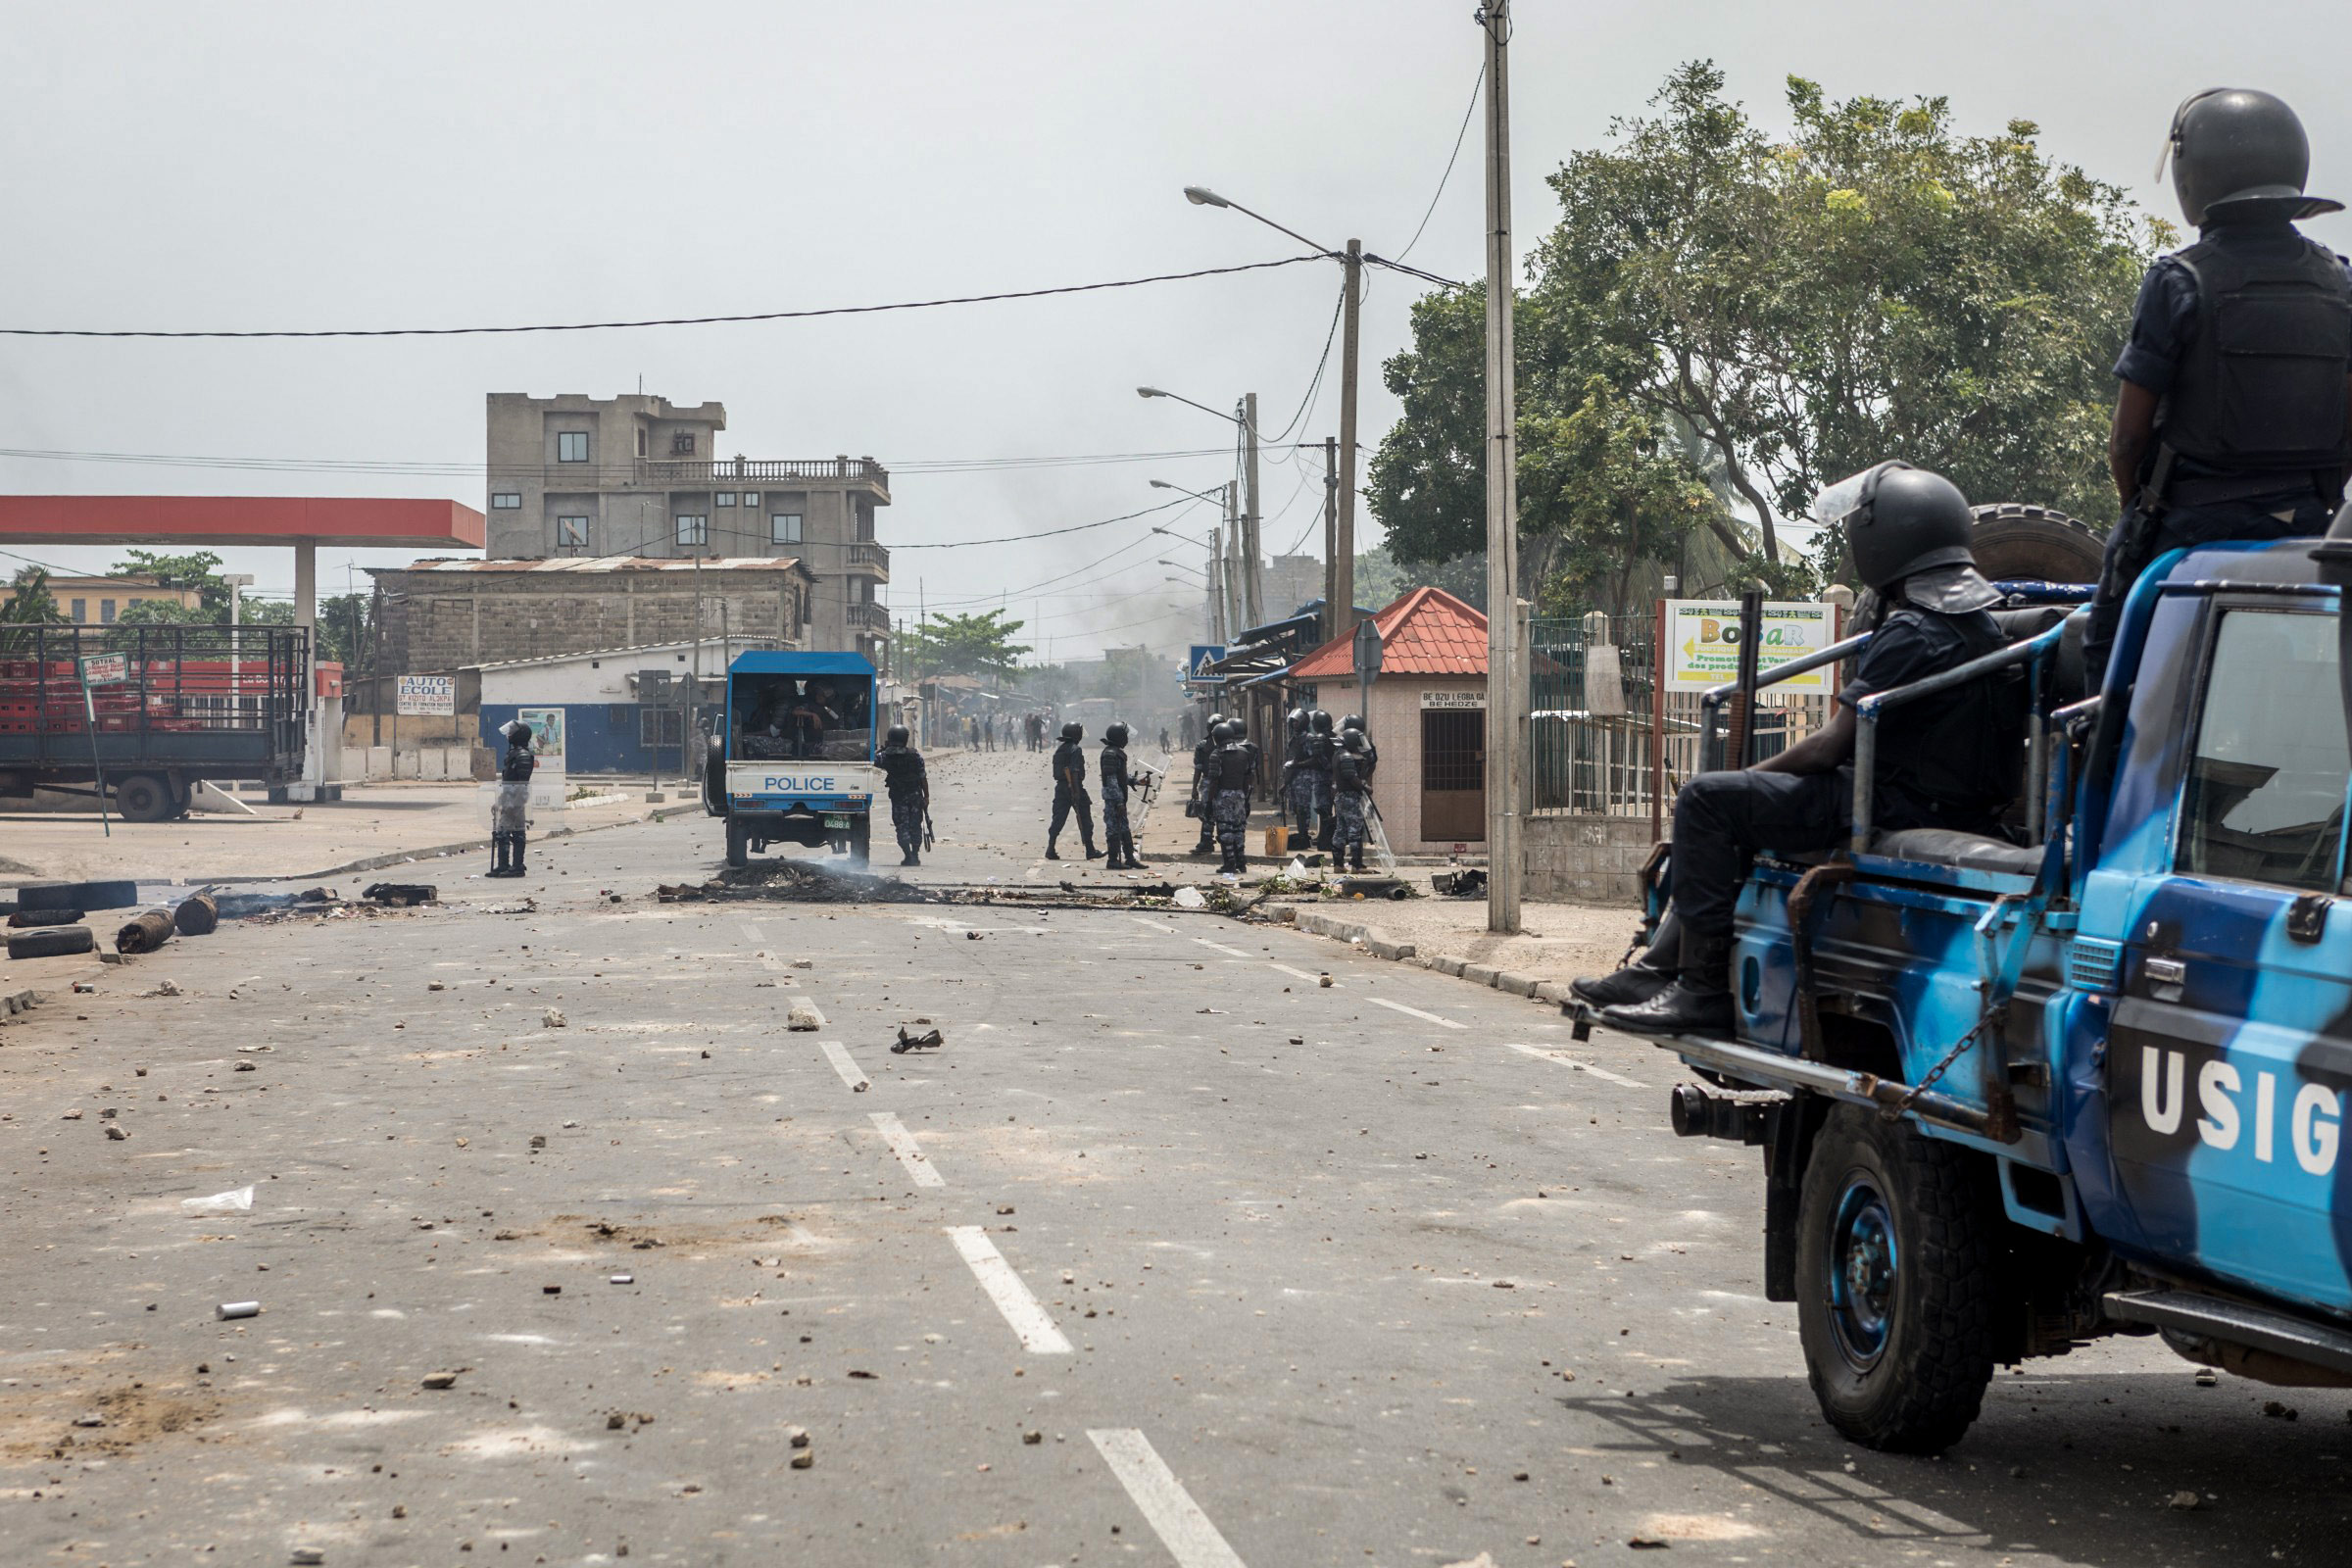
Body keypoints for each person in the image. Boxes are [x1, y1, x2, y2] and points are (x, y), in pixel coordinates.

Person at [1580, 462, 2022, 1036]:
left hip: (1886, 802)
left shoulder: (1912, 632)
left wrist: (1753, 775)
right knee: (1727, 801)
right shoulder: (1984, 626)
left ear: (1884, 542)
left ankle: (1701, 990)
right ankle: (1657, 969)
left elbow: (1827, 748)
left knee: (1707, 800)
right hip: (1940, 801)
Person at [2087, 87, 2352, 686]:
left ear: (2194, 173)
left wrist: (2142, 513)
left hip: (2192, 525)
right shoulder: (2341, 283)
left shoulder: (2178, 281)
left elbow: (2127, 442)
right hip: (2312, 523)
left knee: (2103, 651)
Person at [1047, 719, 1102, 860]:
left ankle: (1050, 848)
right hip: (1074, 786)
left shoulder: (1060, 749)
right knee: (1085, 818)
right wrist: (1076, 792)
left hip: (1061, 788)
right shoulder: (1075, 749)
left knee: (1058, 819)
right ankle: (1090, 850)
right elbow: (1075, 771)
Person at [1210, 718, 1260, 875]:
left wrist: (1209, 802)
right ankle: (1241, 862)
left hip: (1223, 795)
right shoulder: (1244, 753)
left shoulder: (1217, 754)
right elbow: (1248, 777)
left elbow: (1214, 781)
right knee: (1239, 829)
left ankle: (1229, 863)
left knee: (1225, 830)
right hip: (1240, 794)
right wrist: (1245, 797)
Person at [874, 722, 929, 867]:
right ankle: (915, 855)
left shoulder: (884, 757)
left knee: (901, 826)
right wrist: (926, 797)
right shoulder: (915, 755)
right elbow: (923, 777)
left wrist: (882, 749)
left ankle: (908, 856)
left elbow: (870, 759)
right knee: (915, 825)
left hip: (898, 797)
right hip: (915, 795)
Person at [1100, 721, 1152, 869]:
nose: (1127, 739)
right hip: (1113, 799)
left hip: (1119, 798)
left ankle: (1129, 859)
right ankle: (1112, 860)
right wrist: (1119, 802)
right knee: (1113, 829)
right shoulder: (1110, 754)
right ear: (1119, 737)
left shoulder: (1116, 752)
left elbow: (1120, 776)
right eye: (1125, 736)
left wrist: (1135, 781)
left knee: (1124, 828)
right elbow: (1111, 780)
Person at [487, 718, 535, 878]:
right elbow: (508, 783)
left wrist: (513, 803)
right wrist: (500, 801)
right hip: (510, 798)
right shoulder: (515, 753)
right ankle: (506, 865)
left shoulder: (522, 755)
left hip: (516, 800)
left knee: (508, 832)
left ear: (519, 735)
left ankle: (515, 866)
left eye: (512, 732)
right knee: (510, 832)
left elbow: (522, 783)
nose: (509, 735)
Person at [1333, 728, 1371, 872]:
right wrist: (1365, 787)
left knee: (1340, 831)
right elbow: (1351, 778)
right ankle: (1357, 865)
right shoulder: (1346, 757)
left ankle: (1338, 864)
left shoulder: (1338, 754)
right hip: (1350, 797)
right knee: (1355, 831)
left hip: (1341, 797)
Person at [1189, 710, 1226, 856]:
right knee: (1210, 812)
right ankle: (1208, 841)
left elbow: (1198, 769)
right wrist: (1194, 788)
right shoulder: (1203, 746)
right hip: (1213, 782)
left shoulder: (1207, 745)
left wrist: (1194, 788)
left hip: (1216, 782)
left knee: (1213, 813)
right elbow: (1198, 768)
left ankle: (1211, 841)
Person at [1281, 708, 1315, 851]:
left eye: (1297, 722)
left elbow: (1314, 759)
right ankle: (1301, 835)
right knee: (1297, 809)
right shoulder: (1293, 739)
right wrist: (1286, 781)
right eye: (1293, 722)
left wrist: (1298, 764)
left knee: (1303, 809)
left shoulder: (1308, 738)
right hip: (1293, 778)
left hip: (1303, 778)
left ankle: (1304, 835)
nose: (1294, 724)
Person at [1305, 710, 1339, 852]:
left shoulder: (1318, 738)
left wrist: (1298, 764)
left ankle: (1325, 841)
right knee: (1332, 810)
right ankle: (1327, 838)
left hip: (1321, 779)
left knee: (1323, 811)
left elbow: (1317, 758)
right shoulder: (1335, 738)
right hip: (1335, 779)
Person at [1341, 713, 1377, 786]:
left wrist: (1364, 778)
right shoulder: (1348, 740)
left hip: (1355, 782)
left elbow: (1372, 763)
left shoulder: (1363, 742)